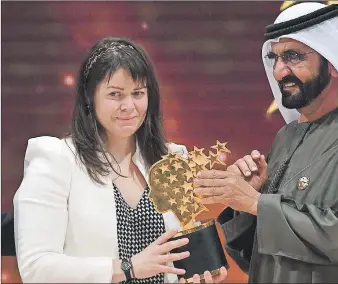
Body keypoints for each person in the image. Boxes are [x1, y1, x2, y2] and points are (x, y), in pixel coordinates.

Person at [193, 3, 338, 283]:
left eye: (293, 57)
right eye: (275, 59)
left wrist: (257, 203)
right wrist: (246, 202)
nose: (280, 71)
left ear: (333, 62)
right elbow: (258, 258)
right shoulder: (287, 137)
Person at [13, 36, 227, 283]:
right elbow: (35, 267)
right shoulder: (56, 160)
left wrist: (192, 276)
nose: (129, 106)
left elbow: (178, 258)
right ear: (88, 98)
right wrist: (127, 268)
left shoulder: (172, 160)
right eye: (115, 94)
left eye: (138, 93)